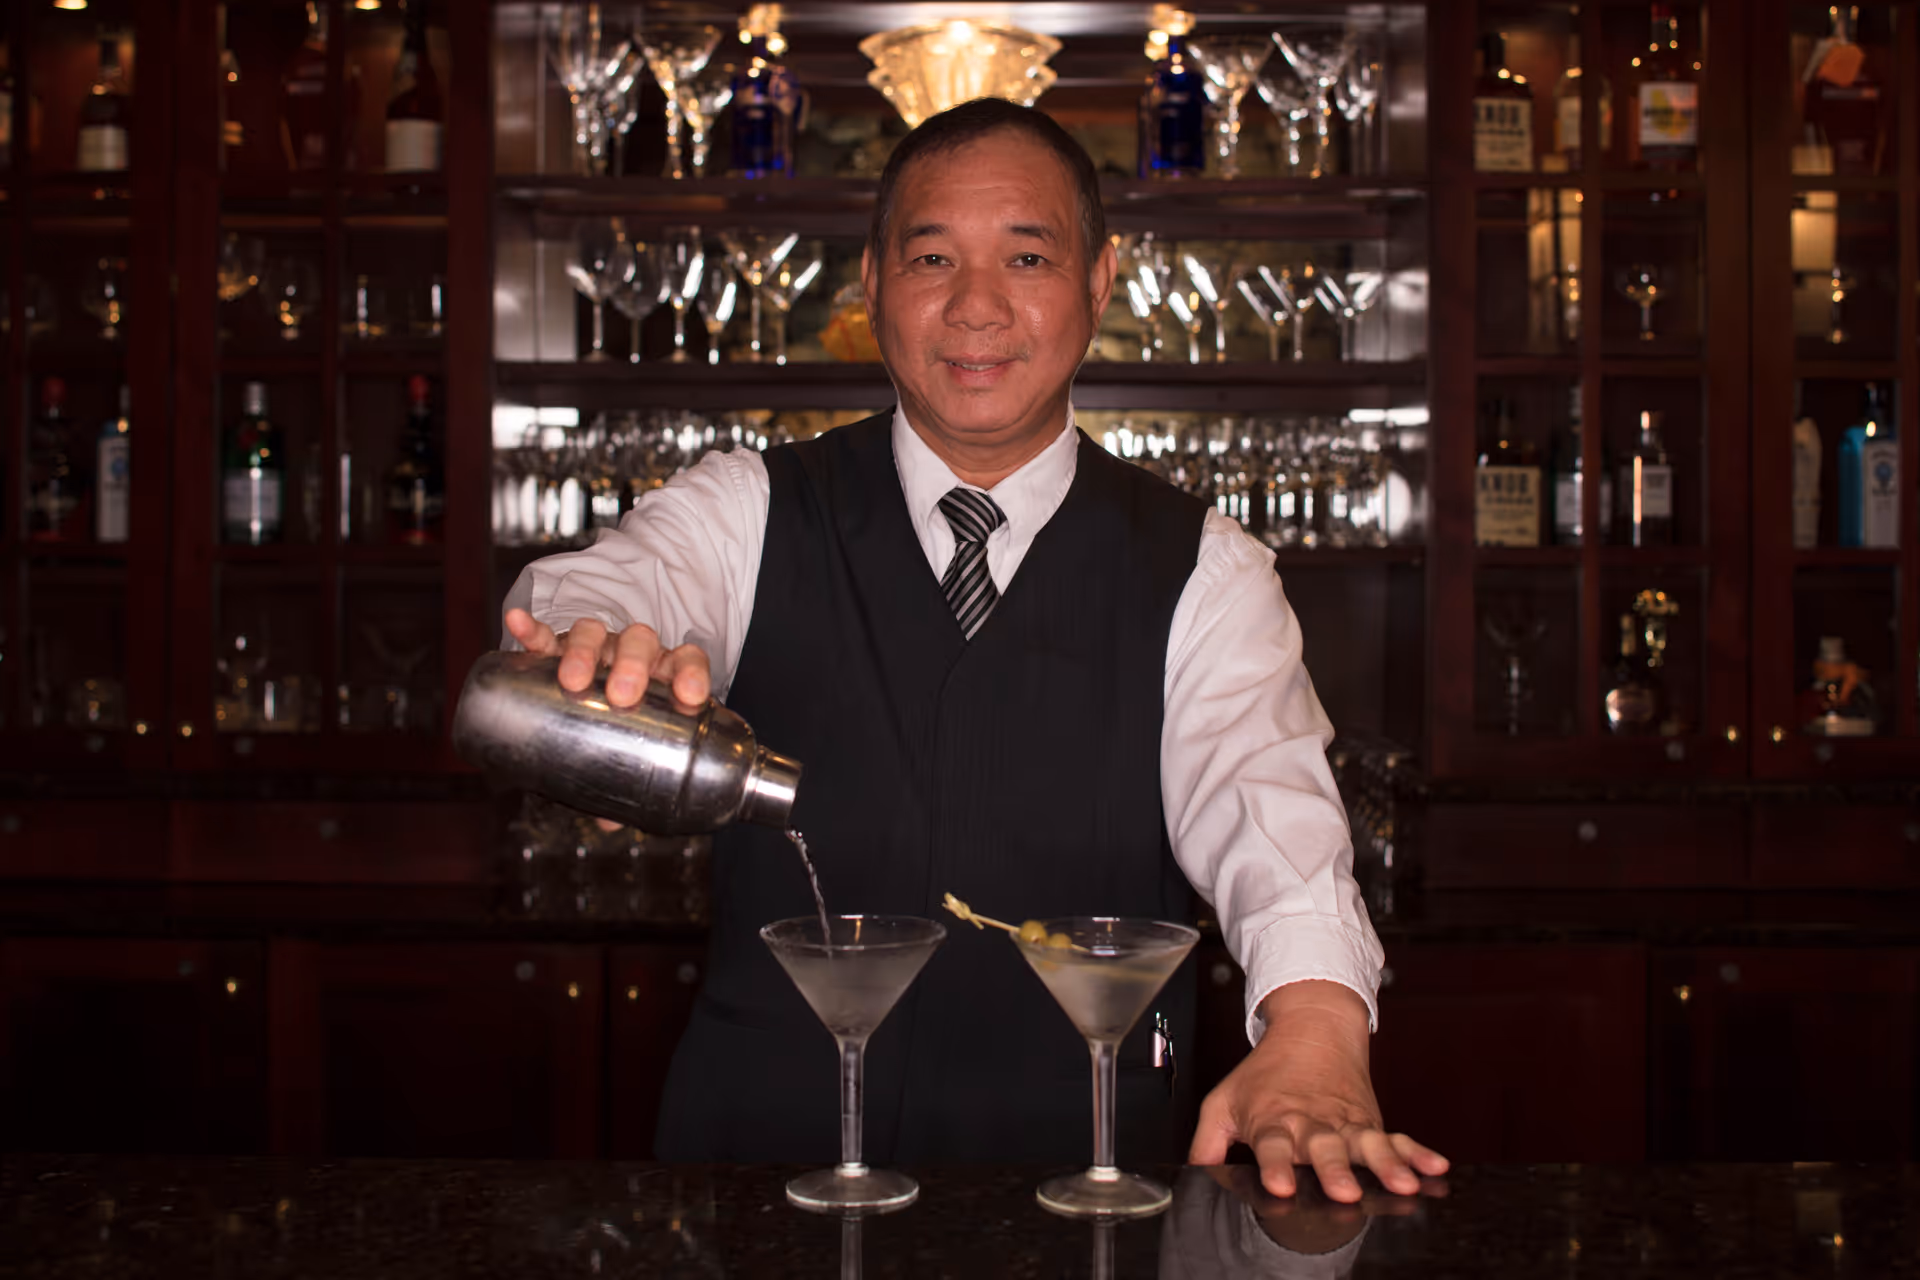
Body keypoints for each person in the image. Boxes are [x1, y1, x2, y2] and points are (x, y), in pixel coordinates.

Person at [502, 98, 1446, 1203]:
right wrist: (597, 643)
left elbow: (1272, 819)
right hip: (757, 1176)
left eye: (1028, 256)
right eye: (933, 256)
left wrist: (1320, 1027)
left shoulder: (1207, 567)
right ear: (871, 285)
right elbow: (614, 582)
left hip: (1089, 1182)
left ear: (1100, 281)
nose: (977, 306)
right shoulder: (748, 507)